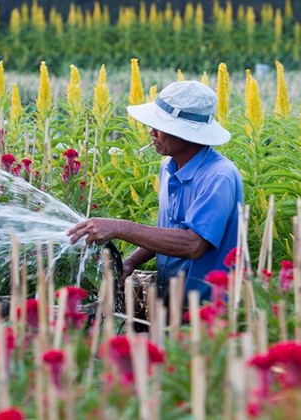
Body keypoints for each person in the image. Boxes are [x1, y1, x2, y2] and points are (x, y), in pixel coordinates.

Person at [67, 81, 244, 304]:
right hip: (171, 304)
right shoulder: (169, 167)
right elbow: (169, 232)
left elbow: (193, 244)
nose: (152, 131)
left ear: (187, 133)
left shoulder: (219, 176)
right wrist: (131, 261)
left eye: (160, 126)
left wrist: (118, 227)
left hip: (208, 310)